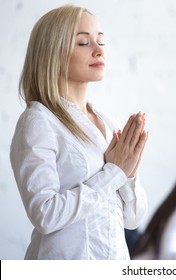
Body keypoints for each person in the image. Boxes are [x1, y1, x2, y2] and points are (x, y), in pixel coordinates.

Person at [10, 5, 148, 260]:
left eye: (101, 40)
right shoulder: (39, 122)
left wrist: (128, 174)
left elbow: (133, 219)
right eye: (83, 42)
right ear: (53, 51)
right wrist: (114, 172)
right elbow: (45, 215)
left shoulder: (110, 123)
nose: (98, 49)